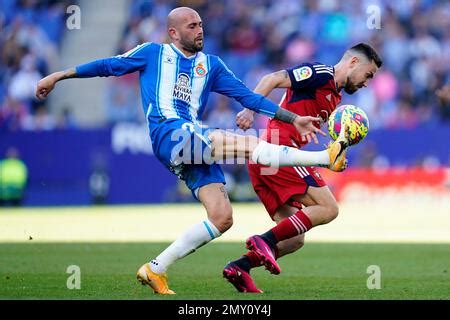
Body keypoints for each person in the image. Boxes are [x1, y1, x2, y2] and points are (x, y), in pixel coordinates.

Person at [35, 7, 349, 295]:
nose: (200, 30)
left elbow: (247, 97)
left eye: (201, 24)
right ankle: (324, 158)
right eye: (192, 26)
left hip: (190, 140)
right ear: (173, 33)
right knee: (250, 145)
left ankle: (155, 269)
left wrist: (294, 118)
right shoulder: (153, 53)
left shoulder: (211, 65)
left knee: (222, 217)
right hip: (170, 133)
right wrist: (60, 75)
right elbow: (108, 66)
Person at [223, 43, 382, 293]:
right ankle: (263, 240)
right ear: (353, 62)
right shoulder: (320, 74)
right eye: (368, 74)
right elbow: (272, 78)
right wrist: (248, 110)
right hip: (277, 152)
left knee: (294, 239)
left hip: (270, 161)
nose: (367, 82)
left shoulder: (335, 96)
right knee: (329, 208)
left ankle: (240, 267)